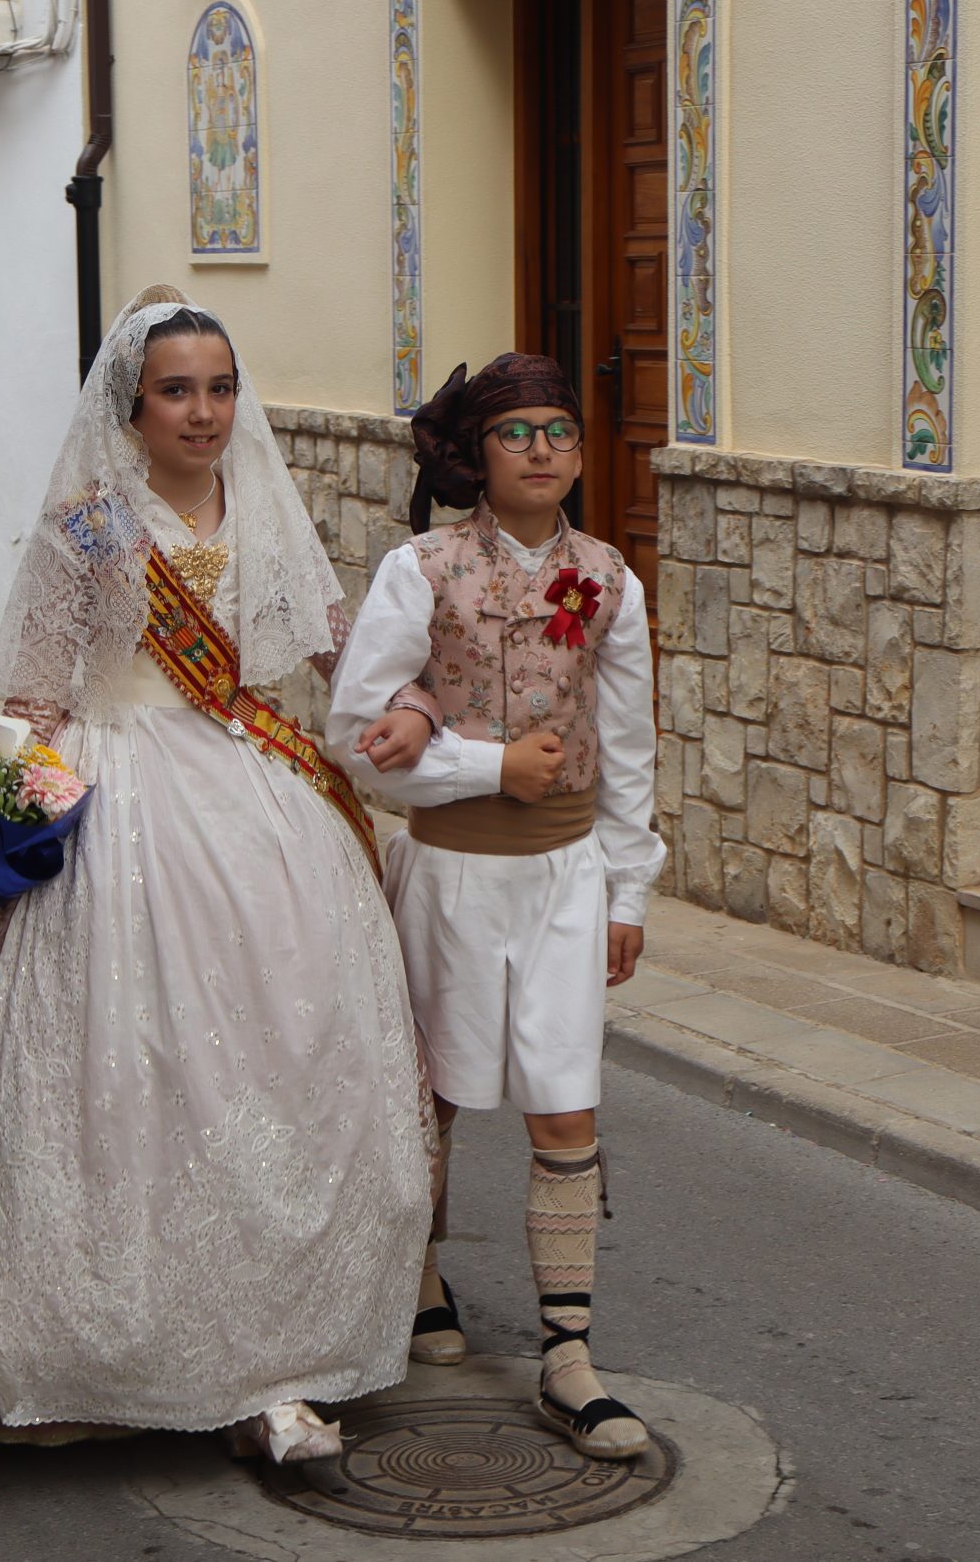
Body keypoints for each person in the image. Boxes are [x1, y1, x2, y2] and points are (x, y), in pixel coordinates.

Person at [0, 289, 441, 1461]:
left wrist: (416, 707)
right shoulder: (85, 527)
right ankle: (132, 1349)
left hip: (256, 801)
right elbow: (36, 698)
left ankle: (273, 1358)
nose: (203, 412)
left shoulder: (267, 506)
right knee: (138, 1076)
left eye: (219, 389)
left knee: (283, 1061)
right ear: (130, 409)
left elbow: (350, 660)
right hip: (118, 799)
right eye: (176, 392)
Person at [326, 352, 665, 1463]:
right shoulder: (419, 569)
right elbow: (355, 734)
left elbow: (628, 746)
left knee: (566, 1110)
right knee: (432, 1099)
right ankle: (418, 1277)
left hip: (565, 876)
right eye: (516, 432)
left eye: (560, 430)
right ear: (476, 453)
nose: (541, 450)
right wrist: (485, 766)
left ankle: (568, 1358)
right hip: (450, 877)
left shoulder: (610, 579)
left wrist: (627, 885)